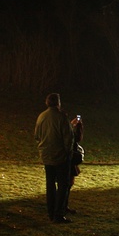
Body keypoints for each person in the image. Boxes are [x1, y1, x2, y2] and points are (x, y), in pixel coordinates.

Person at [34, 93, 75, 224]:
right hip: (60, 156)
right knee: (63, 184)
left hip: (46, 155)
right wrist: (68, 152)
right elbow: (68, 138)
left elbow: (37, 136)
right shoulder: (61, 117)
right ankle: (58, 213)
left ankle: (51, 212)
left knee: (50, 184)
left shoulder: (41, 116)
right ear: (58, 103)